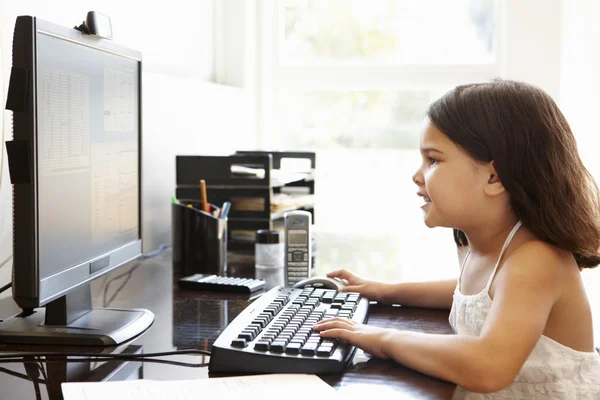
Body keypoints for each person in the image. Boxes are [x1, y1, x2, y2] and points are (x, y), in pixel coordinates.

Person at [313, 79, 600, 399]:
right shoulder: (476, 246)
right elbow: (474, 296)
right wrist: (386, 291)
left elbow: (487, 367)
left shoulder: (536, 262)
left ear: (494, 177)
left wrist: (382, 339)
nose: (417, 175)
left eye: (433, 159)